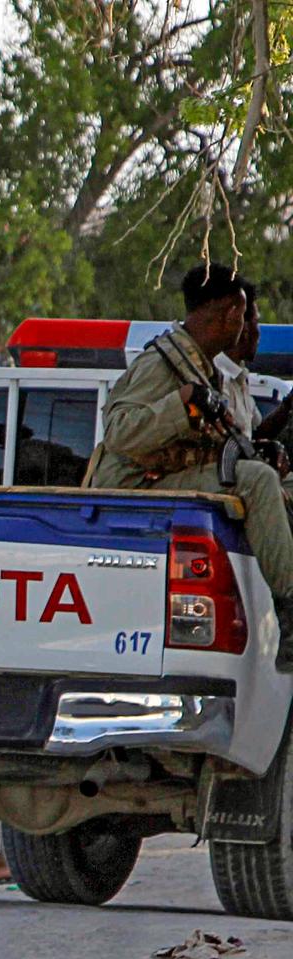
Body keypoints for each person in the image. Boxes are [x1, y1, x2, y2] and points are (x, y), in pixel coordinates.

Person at [89, 263, 293, 667]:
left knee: (270, 475)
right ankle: (290, 610)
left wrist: (260, 447)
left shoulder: (202, 365)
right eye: (243, 315)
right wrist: (181, 403)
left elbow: (211, 446)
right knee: (253, 480)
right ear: (232, 314)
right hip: (133, 491)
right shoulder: (163, 363)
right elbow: (119, 433)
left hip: (169, 480)